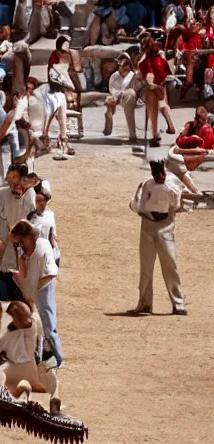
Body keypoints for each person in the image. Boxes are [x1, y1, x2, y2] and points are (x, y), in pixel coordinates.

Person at [0, 163, 36, 360]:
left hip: (23, 261)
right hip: (4, 257)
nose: (11, 183)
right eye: (9, 178)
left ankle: (29, 349)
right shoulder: (1, 194)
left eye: (15, 179)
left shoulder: (31, 196)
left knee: (25, 307)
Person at [128, 160, 185, 315]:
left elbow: (176, 204)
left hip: (165, 224)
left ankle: (178, 302)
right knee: (146, 266)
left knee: (170, 264)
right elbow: (138, 205)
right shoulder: (147, 185)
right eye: (156, 174)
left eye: (161, 174)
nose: (159, 177)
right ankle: (145, 303)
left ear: (164, 172)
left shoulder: (172, 183)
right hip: (147, 225)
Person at [0, 300, 61, 413]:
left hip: (19, 368)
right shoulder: (27, 327)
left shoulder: (22, 330)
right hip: (26, 368)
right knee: (49, 379)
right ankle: (48, 397)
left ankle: (22, 394)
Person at [11, 220, 62, 368]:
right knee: (40, 328)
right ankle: (41, 359)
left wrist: (33, 292)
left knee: (48, 327)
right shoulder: (25, 251)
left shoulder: (41, 248)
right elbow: (25, 275)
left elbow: (47, 274)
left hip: (43, 289)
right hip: (35, 290)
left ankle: (58, 360)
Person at [137, 36, 176, 146]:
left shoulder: (161, 60)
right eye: (154, 44)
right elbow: (144, 80)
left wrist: (161, 85)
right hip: (147, 90)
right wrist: (154, 86)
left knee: (159, 94)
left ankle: (164, 129)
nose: (158, 46)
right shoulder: (144, 62)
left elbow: (169, 75)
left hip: (160, 88)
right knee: (152, 94)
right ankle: (155, 135)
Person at [104, 54, 138, 140]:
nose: (124, 68)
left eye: (126, 66)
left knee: (130, 94)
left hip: (130, 97)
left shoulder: (133, 75)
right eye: (122, 66)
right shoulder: (115, 76)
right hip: (117, 96)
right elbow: (113, 90)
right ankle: (108, 122)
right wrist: (115, 98)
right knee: (109, 101)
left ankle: (132, 134)